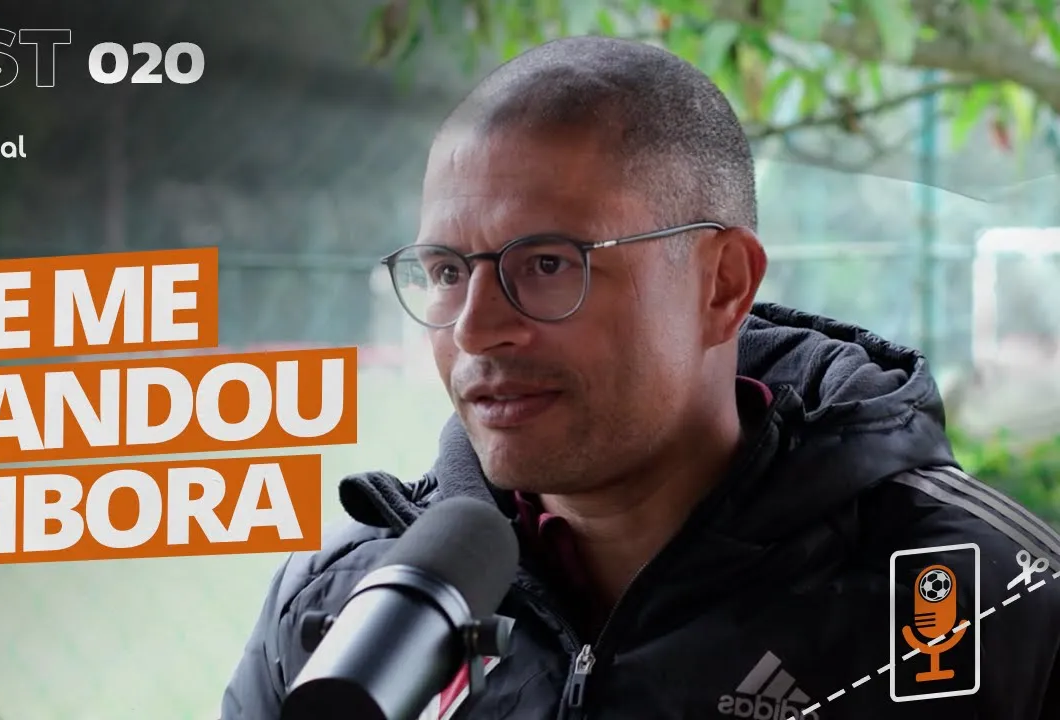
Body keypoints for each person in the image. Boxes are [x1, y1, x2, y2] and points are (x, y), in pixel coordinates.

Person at [222, 36, 1060, 719]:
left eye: (546, 263)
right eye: (446, 271)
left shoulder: (992, 599)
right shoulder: (341, 611)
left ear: (722, 284)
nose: (474, 329)